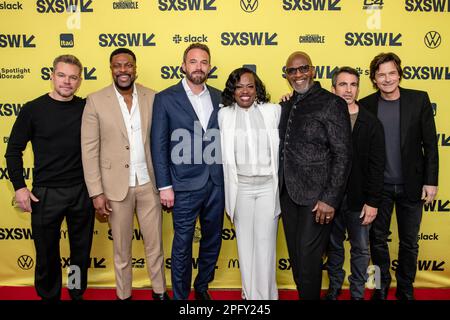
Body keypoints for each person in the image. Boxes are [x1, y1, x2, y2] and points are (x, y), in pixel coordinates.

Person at [4, 55, 95, 301]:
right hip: (45, 194)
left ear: (80, 81)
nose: (67, 81)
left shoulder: (87, 108)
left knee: (80, 253)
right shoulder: (33, 109)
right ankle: (49, 296)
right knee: (46, 254)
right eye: (62, 75)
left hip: (81, 192)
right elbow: (13, 151)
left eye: (73, 77)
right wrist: (20, 188)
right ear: (52, 76)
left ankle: (76, 293)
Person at [81, 48, 169, 300]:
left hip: (149, 184)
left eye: (128, 65)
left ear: (135, 68)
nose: (123, 70)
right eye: (118, 66)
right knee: (121, 250)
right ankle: (124, 295)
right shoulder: (95, 101)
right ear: (111, 69)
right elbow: (89, 151)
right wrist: (96, 192)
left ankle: (160, 292)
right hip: (114, 188)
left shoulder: (153, 97)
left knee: (155, 247)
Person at [359, 52, 439, 300]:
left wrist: (431, 181)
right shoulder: (366, 104)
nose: (387, 79)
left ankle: (405, 289)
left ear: (399, 74)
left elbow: (431, 146)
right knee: (378, 242)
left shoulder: (419, 100)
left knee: (409, 243)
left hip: (412, 185)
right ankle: (381, 288)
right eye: (381, 74)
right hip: (378, 188)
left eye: (391, 73)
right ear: (374, 79)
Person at [151, 43, 224, 300]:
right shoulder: (165, 98)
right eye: (193, 62)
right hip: (182, 184)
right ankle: (181, 297)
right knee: (182, 244)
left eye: (204, 62)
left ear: (210, 66)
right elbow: (158, 145)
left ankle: (202, 286)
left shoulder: (220, 97)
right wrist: (164, 186)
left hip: (216, 182)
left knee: (212, 240)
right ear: (183, 66)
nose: (198, 67)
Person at [278, 51, 352, 300]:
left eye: (303, 69)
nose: (298, 75)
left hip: (317, 199)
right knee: (297, 260)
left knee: (309, 262)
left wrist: (330, 199)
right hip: (288, 195)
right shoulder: (287, 104)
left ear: (313, 70)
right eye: (292, 71)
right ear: (287, 75)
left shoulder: (332, 103)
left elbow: (343, 155)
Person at [218, 67, 281, 300]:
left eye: (250, 86)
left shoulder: (273, 111)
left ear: (257, 89)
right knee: (245, 246)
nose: (245, 91)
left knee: (265, 246)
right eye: (239, 86)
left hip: (267, 187)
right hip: (240, 187)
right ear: (232, 91)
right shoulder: (224, 115)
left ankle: (266, 297)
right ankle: (249, 296)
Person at [324, 67, 385, 300]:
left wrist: (372, 202)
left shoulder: (371, 123)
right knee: (333, 247)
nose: (348, 90)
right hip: (330, 198)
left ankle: (357, 293)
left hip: (360, 199)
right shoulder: (324, 118)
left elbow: (377, 167)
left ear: (358, 88)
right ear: (333, 88)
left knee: (360, 249)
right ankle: (334, 288)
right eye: (343, 84)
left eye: (353, 85)